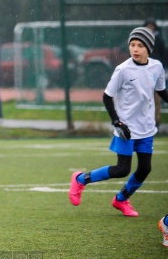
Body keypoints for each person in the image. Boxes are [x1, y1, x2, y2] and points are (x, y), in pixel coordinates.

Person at [69, 27, 168, 217]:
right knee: (122, 169)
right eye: (132, 45)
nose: (135, 49)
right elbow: (107, 97)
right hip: (126, 128)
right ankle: (81, 179)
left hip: (146, 128)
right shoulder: (122, 70)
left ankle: (121, 200)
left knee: (145, 168)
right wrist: (117, 122)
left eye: (140, 45)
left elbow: (162, 92)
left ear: (149, 48)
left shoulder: (156, 67)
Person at [143, 17, 167, 126]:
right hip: (143, 73)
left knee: (156, 99)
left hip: (155, 74)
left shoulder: (159, 40)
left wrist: (164, 69)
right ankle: (143, 121)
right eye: (148, 25)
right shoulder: (141, 40)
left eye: (152, 26)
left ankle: (156, 122)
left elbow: (164, 55)